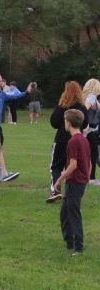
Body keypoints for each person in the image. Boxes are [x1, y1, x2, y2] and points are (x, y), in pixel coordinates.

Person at [55, 109, 91, 256]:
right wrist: (87, 179)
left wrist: (59, 179)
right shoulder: (84, 139)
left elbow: (73, 165)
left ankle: (78, 247)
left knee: (73, 213)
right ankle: (69, 241)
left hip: (75, 182)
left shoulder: (73, 141)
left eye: (65, 121)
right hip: (80, 181)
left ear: (68, 123)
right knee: (65, 213)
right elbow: (89, 162)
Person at [47, 81, 87, 203]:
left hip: (61, 140)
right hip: (77, 139)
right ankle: (71, 190)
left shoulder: (62, 106)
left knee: (56, 166)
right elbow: (85, 123)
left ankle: (55, 190)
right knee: (72, 165)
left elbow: (53, 122)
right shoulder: (82, 107)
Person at [0, 73, 28, 182]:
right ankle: (2, 173)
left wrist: (27, 93)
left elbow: (14, 97)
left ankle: (3, 173)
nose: (2, 83)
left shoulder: (2, 94)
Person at [81, 78, 100, 185]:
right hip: (88, 130)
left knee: (85, 153)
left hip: (86, 130)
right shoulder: (92, 97)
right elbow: (84, 110)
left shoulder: (84, 96)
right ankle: (91, 178)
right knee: (93, 153)